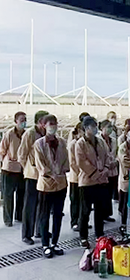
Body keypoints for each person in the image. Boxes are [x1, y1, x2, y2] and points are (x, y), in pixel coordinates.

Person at [35, 114, 69, 259]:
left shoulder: (62, 142)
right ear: (43, 126)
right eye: (50, 124)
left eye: (55, 123)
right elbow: (40, 165)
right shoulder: (39, 144)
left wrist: (60, 173)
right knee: (44, 216)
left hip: (61, 183)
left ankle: (55, 242)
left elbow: (66, 162)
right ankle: (45, 244)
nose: (53, 126)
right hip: (46, 185)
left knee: (58, 214)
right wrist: (52, 174)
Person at [75, 116, 110, 248]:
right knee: (85, 210)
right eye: (93, 127)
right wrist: (96, 174)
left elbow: (107, 156)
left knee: (100, 210)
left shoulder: (100, 141)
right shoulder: (80, 144)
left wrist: (105, 169)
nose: (95, 129)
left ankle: (99, 234)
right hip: (87, 181)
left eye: (96, 126)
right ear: (86, 128)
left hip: (101, 181)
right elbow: (81, 162)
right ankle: (83, 236)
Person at [18, 110, 49, 245]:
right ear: (40, 122)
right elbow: (22, 154)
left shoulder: (47, 134)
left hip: (44, 176)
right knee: (30, 205)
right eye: (46, 121)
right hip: (32, 175)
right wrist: (29, 168)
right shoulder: (30, 134)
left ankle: (40, 230)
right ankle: (27, 234)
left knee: (42, 204)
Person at [0, 112, 27, 227]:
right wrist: (6, 161)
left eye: (25, 119)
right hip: (9, 169)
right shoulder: (9, 134)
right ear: (16, 121)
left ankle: (19, 216)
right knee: (8, 195)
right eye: (21, 120)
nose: (23, 122)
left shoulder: (26, 134)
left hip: (22, 169)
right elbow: (2, 150)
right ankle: (8, 219)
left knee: (21, 193)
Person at [100, 119, 118, 221]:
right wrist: (106, 165)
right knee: (103, 193)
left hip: (113, 168)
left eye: (111, 127)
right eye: (108, 127)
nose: (110, 129)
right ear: (102, 128)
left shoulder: (113, 140)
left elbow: (115, 154)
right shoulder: (99, 140)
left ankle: (107, 213)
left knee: (110, 192)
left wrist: (115, 162)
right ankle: (101, 215)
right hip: (104, 168)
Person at [68, 122, 83, 232]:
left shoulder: (85, 143)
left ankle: (82, 221)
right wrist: (80, 172)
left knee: (83, 201)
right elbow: (72, 162)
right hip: (76, 177)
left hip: (85, 178)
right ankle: (74, 221)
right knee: (75, 200)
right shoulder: (73, 144)